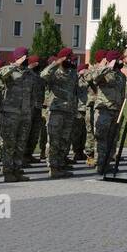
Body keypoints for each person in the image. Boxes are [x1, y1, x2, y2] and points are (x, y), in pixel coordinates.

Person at [41, 47, 80, 179]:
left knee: (64, 140)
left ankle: (60, 165)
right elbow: (43, 76)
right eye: (68, 58)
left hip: (69, 111)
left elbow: (75, 91)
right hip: (56, 111)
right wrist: (55, 63)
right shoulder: (54, 72)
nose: (71, 61)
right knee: (54, 140)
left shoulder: (72, 73)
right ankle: (53, 167)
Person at [0, 48, 34, 182]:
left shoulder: (29, 74)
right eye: (24, 57)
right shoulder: (8, 70)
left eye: (27, 56)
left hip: (25, 113)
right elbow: (1, 76)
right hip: (10, 113)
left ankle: (17, 170)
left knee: (21, 143)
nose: (26, 59)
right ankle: (7, 172)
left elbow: (32, 93)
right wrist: (15, 65)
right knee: (9, 143)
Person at [90, 51, 127, 175]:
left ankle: (108, 163)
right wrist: (107, 67)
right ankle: (100, 165)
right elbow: (93, 78)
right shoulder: (104, 72)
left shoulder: (121, 76)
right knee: (102, 139)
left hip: (117, 111)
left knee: (112, 140)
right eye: (120, 60)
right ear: (114, 61)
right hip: (104, 109)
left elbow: (122, 93)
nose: (123, 62)